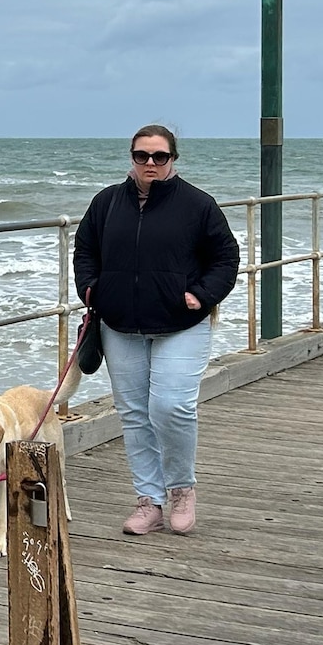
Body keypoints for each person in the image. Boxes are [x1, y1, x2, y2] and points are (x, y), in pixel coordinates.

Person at [72, 124, 239, 535]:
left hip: (181, 324)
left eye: (159, 156)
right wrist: (91, 289)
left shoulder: (198, 205)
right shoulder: (107, 202)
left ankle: (181, 489)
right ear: (131, 157)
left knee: (170, 407)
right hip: (119, 324)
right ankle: (149, 500)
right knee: (133, 415)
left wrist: (201, 295)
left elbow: (226, 257)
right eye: (142, 155)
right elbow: (85, 250)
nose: (150, 163)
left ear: (172, 159)